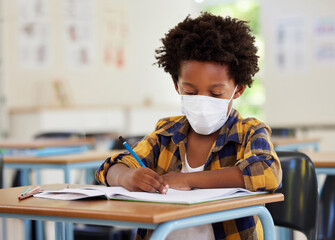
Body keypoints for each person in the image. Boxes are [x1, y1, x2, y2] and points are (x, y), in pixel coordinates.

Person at [96, 12, 282, 240]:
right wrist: (127, 177)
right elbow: (110, 168)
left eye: (216, 93)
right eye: (191, 92)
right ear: (176, 85)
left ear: (239, 89)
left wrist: (186, 179)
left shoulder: (248, 132)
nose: (202, 101)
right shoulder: (166, 133)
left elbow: (267, 172)